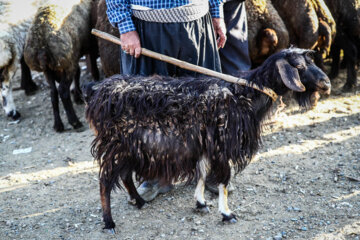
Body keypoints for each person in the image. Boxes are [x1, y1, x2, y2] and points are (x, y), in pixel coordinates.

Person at [105, 0, 227, 201]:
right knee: (148, 109)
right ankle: (154, 175)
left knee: (203, 102)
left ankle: (208, 169)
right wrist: (125, 26)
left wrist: (216, 11)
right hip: (146, 26)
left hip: (196, 22)